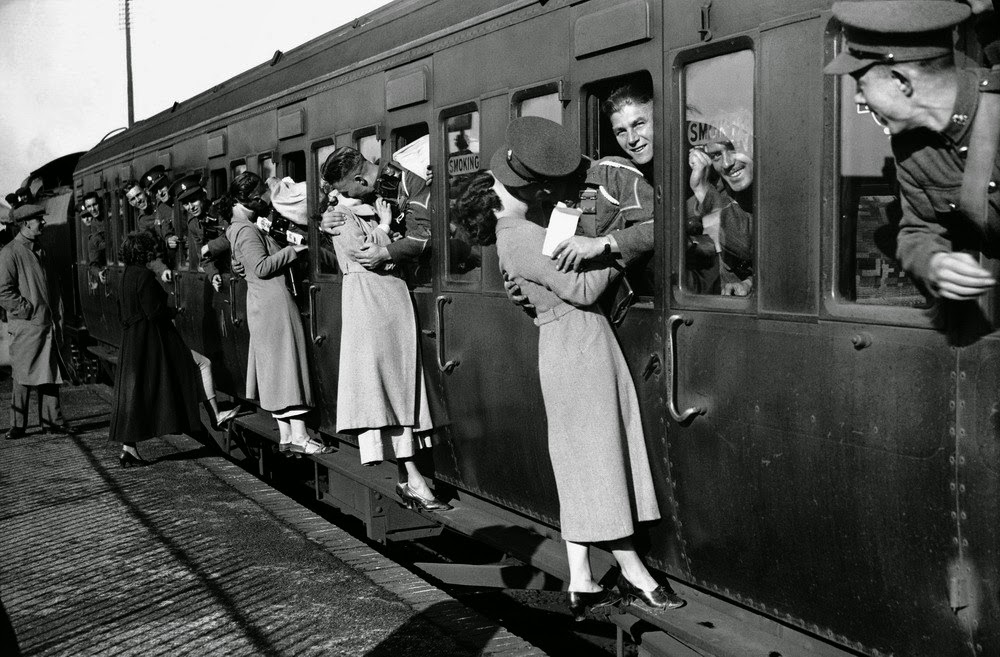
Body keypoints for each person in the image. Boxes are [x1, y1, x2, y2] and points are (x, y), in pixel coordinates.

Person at [452, 119, 684, 620]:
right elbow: (580, 289)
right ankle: (636, 572)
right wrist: (612, 251)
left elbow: (539, 287)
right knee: (596, 457)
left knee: (579, 458)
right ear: (518, 191)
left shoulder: (516, 234)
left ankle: (581, 578)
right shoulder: (521, 234)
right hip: (579, 346)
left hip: (567, 345)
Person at [825, 1, 1000, 301]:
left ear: (901, 82)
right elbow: (916, 229)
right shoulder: (911, 147)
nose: (861, 99)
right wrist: (935, 262)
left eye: (862, 85)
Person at [320, 150, 449, 511]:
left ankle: (411, 479)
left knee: (399, 385)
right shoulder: (342, 216)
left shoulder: (364, 200)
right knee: (389, 386)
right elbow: (364, 253)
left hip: (387, 305)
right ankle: (412, 477)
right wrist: (383, 226)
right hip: (373, 307)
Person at [225, 172, 328, 455]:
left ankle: (287, 437)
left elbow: (243, 265)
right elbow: (260, 267)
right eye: (262, 195)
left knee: (276, 371)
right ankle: (300, 436)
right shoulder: (246, 230)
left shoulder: (236, 228)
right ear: (252, 199)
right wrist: (294, 250)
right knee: (288, 367)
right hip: (274, 303)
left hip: (262, 303)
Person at [109, 231, 202, 467]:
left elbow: (121, 312)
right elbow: (154, 311)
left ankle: (128, 448)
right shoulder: (145, 276)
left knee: (134, 393)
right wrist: (174, 311)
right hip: (147, 340)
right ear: (144, 252)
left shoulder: (126, 275)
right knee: (160, 383)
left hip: (131, 339)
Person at [550, 83, 655, 274]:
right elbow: (587, 233)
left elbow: (659, 228)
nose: (632, 139)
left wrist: (601, 244)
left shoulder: (616, 173)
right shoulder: (591, 187)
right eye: (620, 131)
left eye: (639, 124)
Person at [0, 204, 75, 439]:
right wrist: (27, 310)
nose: (42, 222)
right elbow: (3, 291)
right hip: (28, 325)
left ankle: (52, 422)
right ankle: (18, 425)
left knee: (49, 372)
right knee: (22, 375)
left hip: (45, 324)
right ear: (25, 224)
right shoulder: (10, 252)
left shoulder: (41, 249)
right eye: (38, 219)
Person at [319, 146, 431, 283]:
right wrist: (327, 227)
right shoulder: (367, 194)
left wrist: (384, 253)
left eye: (345, 192)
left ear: (360, 180)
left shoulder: (410, 180)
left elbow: (427, 234)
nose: (345, 196)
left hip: (428, 276)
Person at [686, 138, 754, 296]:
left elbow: (746, 245)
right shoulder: (722, 189)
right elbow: (670, 222)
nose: (726, 163)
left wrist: (702, 189)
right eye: (716, 155)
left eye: (734, 148)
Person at [174, 175, 230, 292]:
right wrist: (213, 274)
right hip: (225, 274)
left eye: (194, 200)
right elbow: (203, 257)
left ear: (203, 196)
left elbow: (234, 236)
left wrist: (210, 246)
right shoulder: (193, 223)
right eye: (185, 203)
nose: (190, 207)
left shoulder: (220, 211)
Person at [123, 180, 171, 281]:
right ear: (130, 203)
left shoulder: (162, 202)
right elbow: (150, 249)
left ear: (145, 191)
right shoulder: (143, 221)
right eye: (133, 199)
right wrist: (162, 269)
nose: (138, 200)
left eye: (139, 194)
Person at [140, 165, 180, 270]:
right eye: (155, 191)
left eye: (161, 187)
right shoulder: (161, 207)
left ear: (168, 183)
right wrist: (168, 238)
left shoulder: (182, 201)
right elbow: (164, 228)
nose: (160, 193)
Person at [82, 192, 107, 289]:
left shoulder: (112, 217)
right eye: (89, 206)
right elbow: (93, 262)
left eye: (95, 204)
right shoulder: (94, 228)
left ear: (100, 203)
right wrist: (99, 272)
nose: (93, 209)